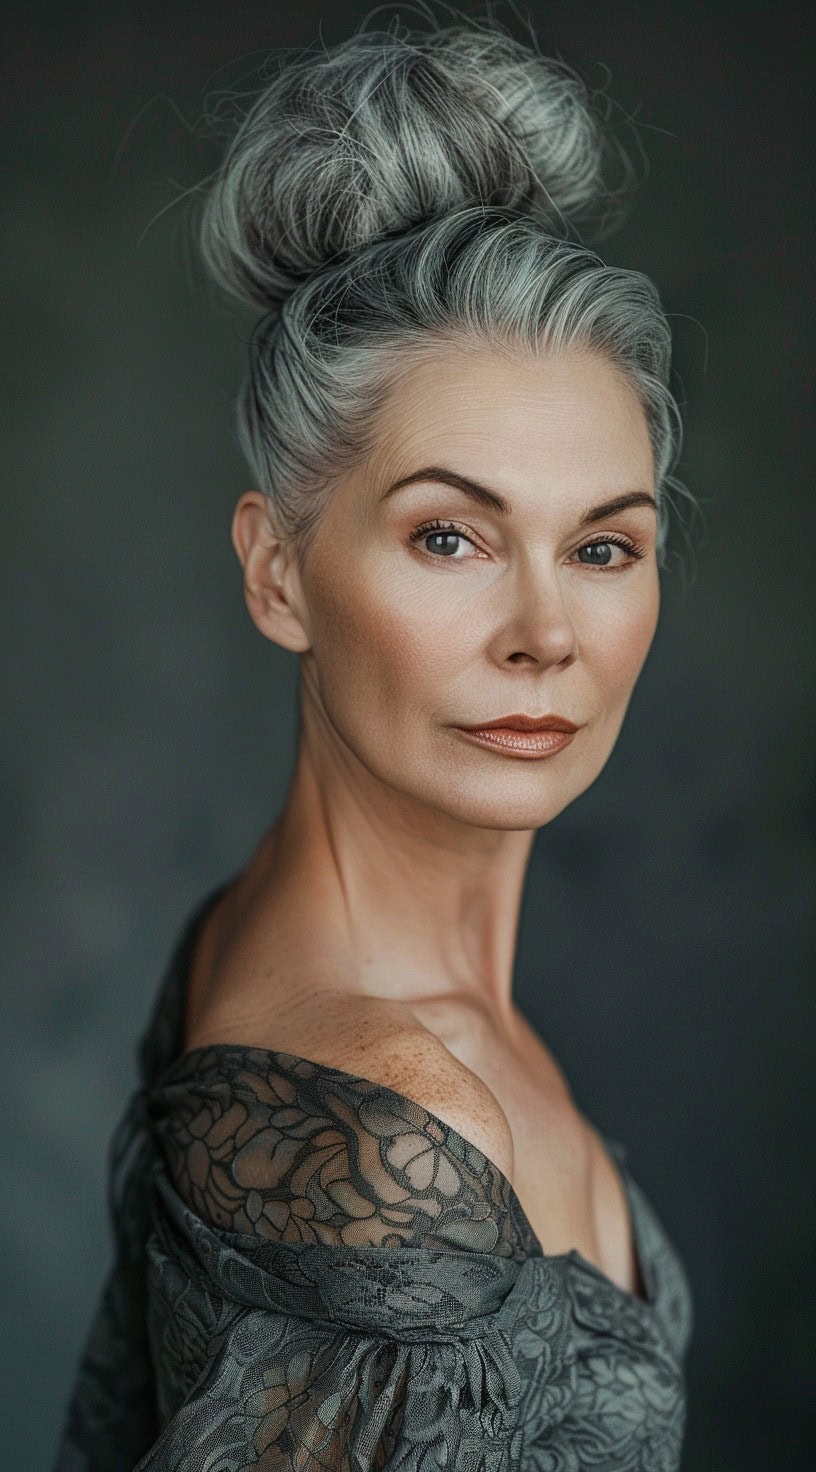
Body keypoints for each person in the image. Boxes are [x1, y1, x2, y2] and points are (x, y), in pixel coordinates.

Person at [53, 10, 696, 1469]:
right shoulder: (385, 1130)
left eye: (605, 548)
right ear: (278, 570)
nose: (545, 630)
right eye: (452, 536)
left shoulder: (266, 939)